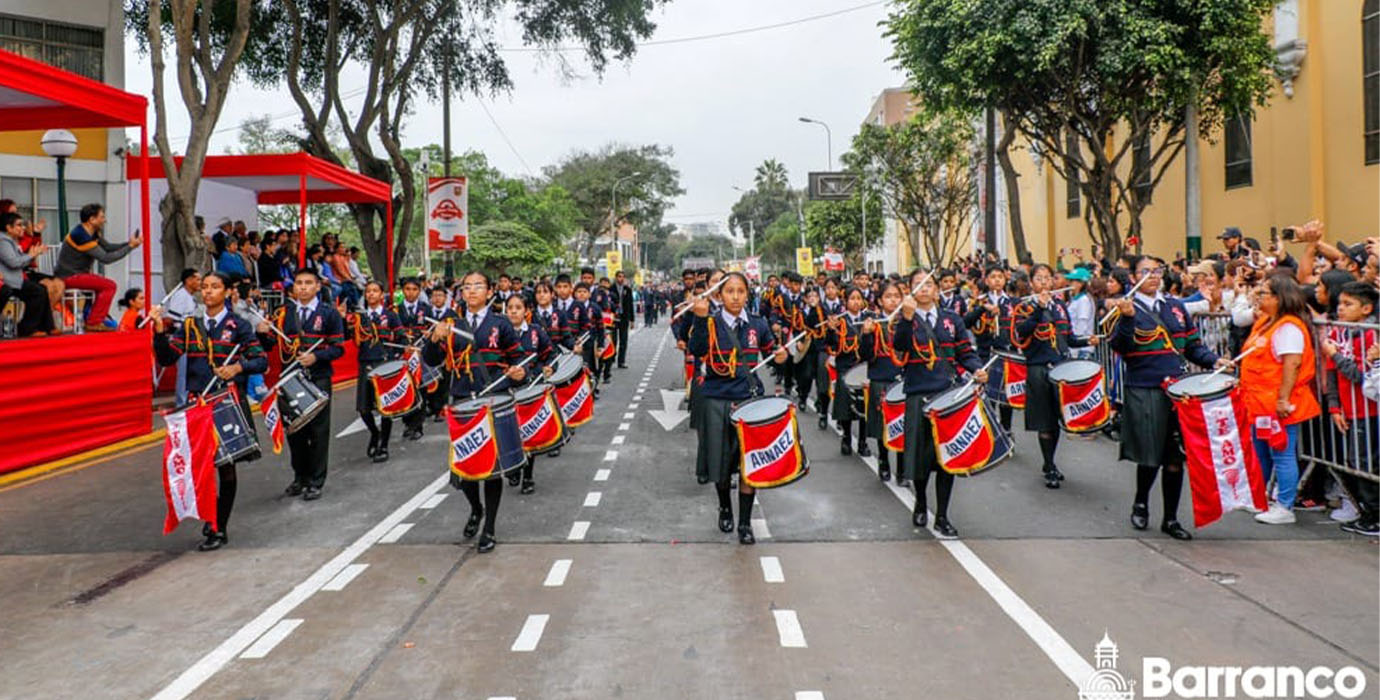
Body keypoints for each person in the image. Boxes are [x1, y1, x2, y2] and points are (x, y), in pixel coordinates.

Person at [1108, 257, 1226, 540]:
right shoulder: (1126, 306)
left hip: (1177, 390)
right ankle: (1141, 501)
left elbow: (1192, 347)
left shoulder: (1175, 306)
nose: (1152, 276)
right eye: (1145, 272)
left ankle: (1171, 519)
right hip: (1145, 387)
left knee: (1175, 457)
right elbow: (1120, 347)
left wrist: (1215, 360)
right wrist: (1125, 318)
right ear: (1132, 277)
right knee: (1150, 455)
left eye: (1156, 271)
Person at [150, 272, 268, 551]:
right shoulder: (191, 325)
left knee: (226, 468)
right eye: (204, 287)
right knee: (201, 467)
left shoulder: (238, 325)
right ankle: (211, 515)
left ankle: (219, 526)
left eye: (215, 287)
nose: (208, 292)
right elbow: (168, 357)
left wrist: (238, 368)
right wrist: (158, 331)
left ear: (227, 292)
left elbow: (260, 360)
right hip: (197, 404)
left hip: (226, 403)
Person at [422, 271, 526, 553]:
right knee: (466, 469)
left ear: (490, 291)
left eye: (478, 286)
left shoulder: (501, 324)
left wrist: (520, 372)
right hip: (461, 400)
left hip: (494, 399)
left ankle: (489, 527)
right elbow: (430, 360)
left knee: (492, 470)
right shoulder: (450, 323)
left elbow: (519, 359)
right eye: (466, 287)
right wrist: (434, 339)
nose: (471, 291)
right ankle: (476, 508)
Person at [686, 272, 787, 544]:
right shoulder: (709, 322)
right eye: (729, 291)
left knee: (747, 466)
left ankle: (744, 524)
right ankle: (724, 508)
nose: (735, 296)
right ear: (719, 294)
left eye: (740, 291)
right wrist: (698, 317)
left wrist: (781, 356)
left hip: (748, 401)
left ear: (747, 294)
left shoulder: (757, 323)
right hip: (717, 399)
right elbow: (696, 351)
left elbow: (772, 355)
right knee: (720, 465)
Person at [892, 270, 987, 538]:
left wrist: (977, 369)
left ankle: (942, 515)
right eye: (917, 285)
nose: (924, 289)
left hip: (947, 396)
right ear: (910, 291)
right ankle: (921, 501)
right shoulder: (903, 320)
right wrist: (907, 318)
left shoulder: (951, 320)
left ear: (936, 290)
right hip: (917, 393)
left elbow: (965, 352)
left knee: (947, 458)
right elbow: (899, 348)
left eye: (929, 284)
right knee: (920, 458)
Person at [256, 268, 345, 501]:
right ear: (293, 287)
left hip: (318, 377)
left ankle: (316, 480)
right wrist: (263, 334)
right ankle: (300, 477)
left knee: (318, 431)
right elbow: (268, 346)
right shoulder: (284, 314)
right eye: (299, 283)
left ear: (317, 286)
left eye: (308, 283)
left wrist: (317, 357)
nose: (303, 287)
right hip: (290, 380)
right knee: (294, 430)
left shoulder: (329, 314)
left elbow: (338, 347)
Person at [1240, 273, 1321, 525]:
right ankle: (1260, 497)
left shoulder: (1288, 327)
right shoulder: (1266, 321)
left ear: (1279, 297)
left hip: (1278, 402)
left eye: (1263, 293)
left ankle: (1284, 506)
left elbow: (1292, 364)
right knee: (1261, 451)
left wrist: (1283, 399)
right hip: (1259, 402)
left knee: (1282, 454)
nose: (1259, 296)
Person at [1012, 263, 1098, 489]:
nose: (1044, 283)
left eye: (1047, 278)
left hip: (1060, 366)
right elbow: (1021, 333)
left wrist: (1086, 340)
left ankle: (1051, 461)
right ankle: (1048, 464)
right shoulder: (1024, 307)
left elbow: (1067, 337)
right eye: (1039, 278)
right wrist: (1039, 308)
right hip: (1038, 367)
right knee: (1045, 420)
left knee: (1058, 419)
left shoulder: (1060, 305)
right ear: (1031, 282)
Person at [1320, 281, 1378, 536]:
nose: (1340, 309)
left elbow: (1362, 375)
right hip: (1348, 409)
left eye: (1348, 304)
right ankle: (1366, 512)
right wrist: (1334, 406)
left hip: (1369, 410)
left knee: (1364, 463)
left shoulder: (1371, 335)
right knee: (1352, 462)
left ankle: (1374, 515)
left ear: (1366, 309)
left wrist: (1335, 355)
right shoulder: (1338, 332)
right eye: (1340, 303)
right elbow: (1331, 375)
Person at [54, 204, 142, 332]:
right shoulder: (81, 236)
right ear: (92, 219)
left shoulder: (91, 232)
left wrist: (129, 244)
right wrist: (130, 247)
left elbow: (108, 247)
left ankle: (91, 319)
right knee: (109, 286)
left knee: (102, 284)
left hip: (78, 274)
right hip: (69, 276)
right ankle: (93, 322)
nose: (104, 220)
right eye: (102, 217)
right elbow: (106, 258)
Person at [505, 292, 555, 493]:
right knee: (509, 433)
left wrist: (549, 367)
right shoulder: (498, 331)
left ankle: (528, 476)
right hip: (506, 390)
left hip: (530, 387)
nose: (514, 311)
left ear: (527, 311)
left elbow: (550, 354)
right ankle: (513, 468)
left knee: (528, 433)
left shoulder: (536, 331)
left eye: (518, 307)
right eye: (510, 308)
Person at [349, 281, 403, 463]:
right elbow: (350, 336)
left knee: (385, 407)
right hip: (365, 363)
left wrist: (395, 356)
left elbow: (401, 338)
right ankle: (375, 433)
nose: (371, 294)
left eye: (375, 291)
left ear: (382, 295)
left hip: (384, 364)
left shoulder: (391, 315)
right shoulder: (359, 317)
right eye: (368, 291)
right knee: (364, 408)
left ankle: (384, 445)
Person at [859, 281, 906, 483]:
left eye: (897, 296)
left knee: (903, 426)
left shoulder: (907, 322)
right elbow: (866, 355)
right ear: (879, 301)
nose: (893, 300)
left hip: (903, 380)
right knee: (882, 426)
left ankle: (903, 469)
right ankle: (884, 462)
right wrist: (867, 335)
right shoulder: (874, 323)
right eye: (888, 296)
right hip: (880, 378)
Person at [827, 287, 870, 456]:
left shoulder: (869, 319)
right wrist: (831, 330)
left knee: (864, 407)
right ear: (845, 301)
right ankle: (846, 436)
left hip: (864, 368)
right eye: (852, 298)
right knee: (846, 407)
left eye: (859, 298)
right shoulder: (840, 321)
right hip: (845, 366)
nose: (856, 302)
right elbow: (832, 345)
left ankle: (862, 441)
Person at [0, 212, 57, 337]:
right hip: (9, 281)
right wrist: (31, 255)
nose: (23, 228)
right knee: (37, 291)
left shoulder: (10, 241)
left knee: (42, 289)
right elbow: (14, 263)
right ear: (8, 228)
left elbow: (21, 261)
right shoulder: (3, 241)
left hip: (16, 279)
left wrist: (32, 254)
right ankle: (27, 328)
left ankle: (47, 326)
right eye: (19, 225)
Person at [613, 270, 635, 368]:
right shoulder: (611, 289)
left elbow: (630, 305)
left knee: (623, 340)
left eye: (622, 277)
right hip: (613, 318)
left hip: (624, 317)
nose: (620, 279)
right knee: (613, 340)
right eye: (619, 277)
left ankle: (621, 361)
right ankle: (611, 358)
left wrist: (632, 320)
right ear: (616, 278)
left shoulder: (628, 290)